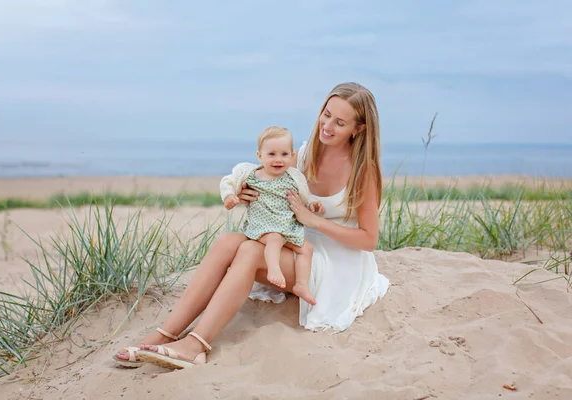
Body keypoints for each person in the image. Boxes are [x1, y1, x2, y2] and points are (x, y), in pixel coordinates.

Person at [113, 82, 390, 370]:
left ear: (358, 129)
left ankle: (196, 345)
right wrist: (245, 191)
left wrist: (314, 220)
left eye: (340, 122)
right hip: (294, 242)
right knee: (227, 242)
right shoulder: (306, 153)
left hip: (335, 262)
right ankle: (166, 333)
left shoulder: (363, 171)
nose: (328, 125)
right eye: (327, 114)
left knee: (250, 251)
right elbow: (270, 180)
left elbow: (369, 240)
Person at [220, 125, 322, 307]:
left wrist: (312, 205)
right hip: (262, 228)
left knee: (306, 248)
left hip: (286, 229)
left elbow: (303, 198)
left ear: (292, 156)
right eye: (272, 154)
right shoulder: (252, 174)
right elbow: (228, 181)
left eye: (284, 154)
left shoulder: (293, 177)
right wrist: (229, 195)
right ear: (260, 156)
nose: (278, 159)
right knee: (274, 239)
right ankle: (273, 269)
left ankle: (301, 284)